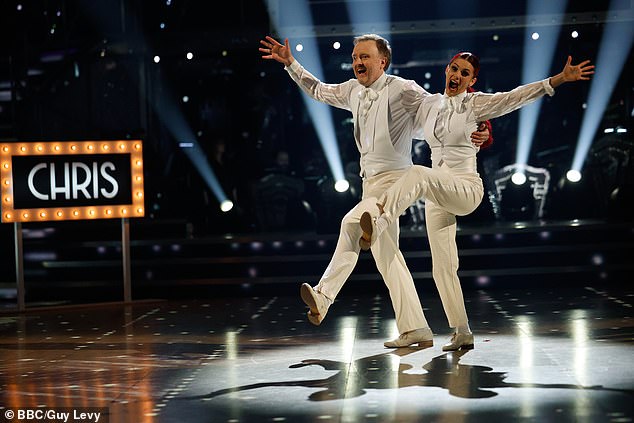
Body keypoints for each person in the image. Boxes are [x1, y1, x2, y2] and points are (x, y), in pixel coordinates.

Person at [259, 34, 491, 348]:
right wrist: (291, 65)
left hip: (396, 180)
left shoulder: (403, 88)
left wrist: (480, 129)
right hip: (370, 182)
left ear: (382, 61)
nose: (358, 62)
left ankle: (324, 295)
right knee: (387, 258)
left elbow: (441, 110)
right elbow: (319, 90)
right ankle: (416, 328)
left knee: (351, 223)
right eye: (356, 57)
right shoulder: (353, 90)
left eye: (365, 56)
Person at [358, 53, 594, 351]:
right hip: (437, 193)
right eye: (454, 69)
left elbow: (514, 98)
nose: (457, 75)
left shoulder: (475, 104)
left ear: (472, 81)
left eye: (465, 73)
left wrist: (557, 80)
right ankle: (462, 331)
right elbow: (398, 118)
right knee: (443, 266)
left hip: (465, 188)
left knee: (417, 172)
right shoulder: (429, 106)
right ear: (447, 70)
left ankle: (378, 220)